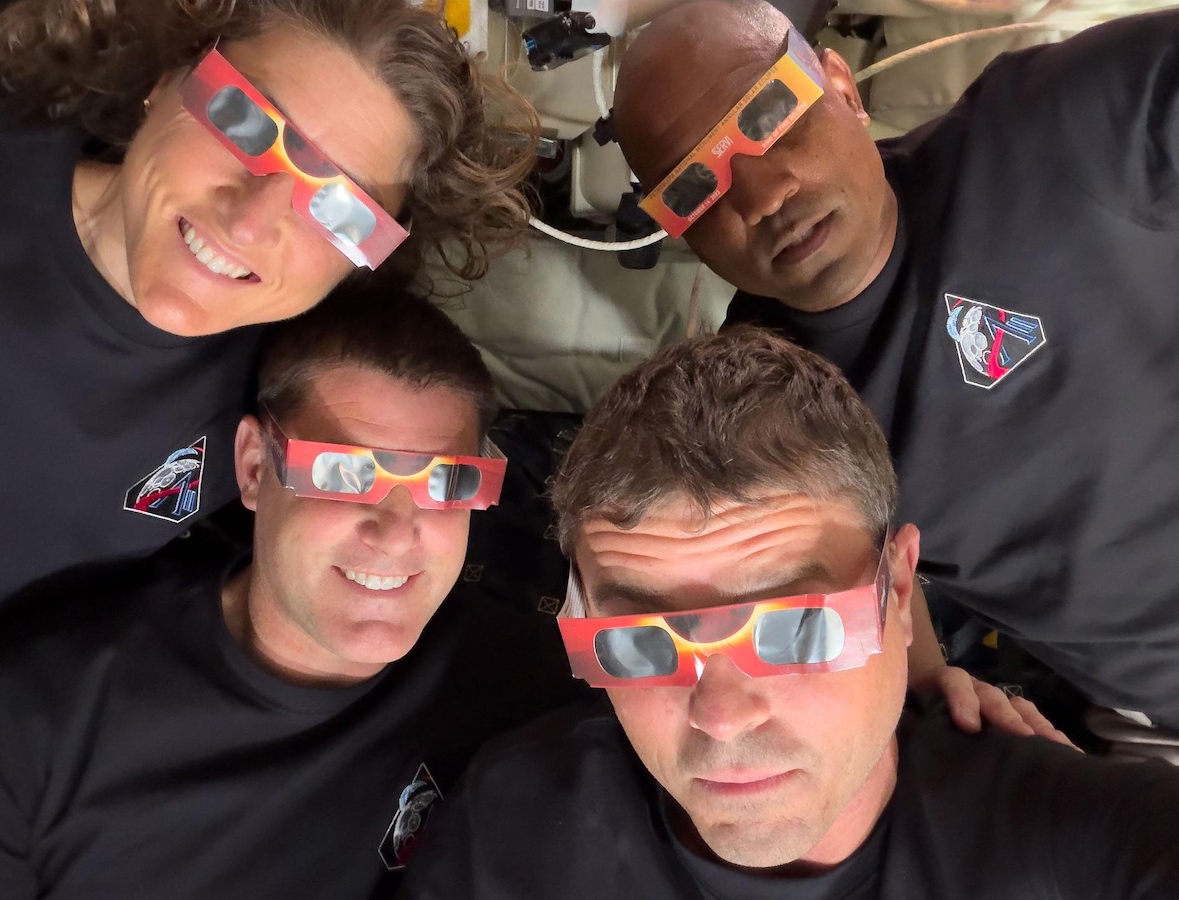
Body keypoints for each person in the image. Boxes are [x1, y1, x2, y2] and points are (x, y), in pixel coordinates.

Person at [397, 328, 1179, 900]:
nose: (723, 715)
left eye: (795, 627)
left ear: (899, 593)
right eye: (641, 644)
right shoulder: (514, 823)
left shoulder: (1073, 838)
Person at [611, 1, 1179, 752]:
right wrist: (924, 680)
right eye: (694, 188)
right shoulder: (762, 404)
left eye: (770, 114)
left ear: (839, 85)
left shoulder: (1051, 129)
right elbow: (859, 576)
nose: (764, 193)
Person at [0, 282, 584, 899]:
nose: (397, 532)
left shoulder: (543, 696)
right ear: (253, 467)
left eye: (446, 483)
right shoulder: (42, 711)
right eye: (344, 473)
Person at [0, 0, 536, 617]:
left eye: (340, 209)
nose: (250, 222)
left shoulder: (284, 412)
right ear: (168, 82)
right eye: (241, 122)